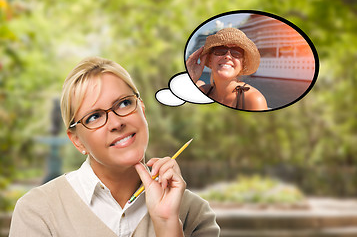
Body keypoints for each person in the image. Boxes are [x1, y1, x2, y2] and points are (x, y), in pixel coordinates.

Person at [9, 57, 220, 237]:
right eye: (94, 116)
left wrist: (167, 225)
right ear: (77, 141)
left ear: (142, 110)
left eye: (124, 103)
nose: (117, 123)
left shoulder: (194, 213)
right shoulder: (38, 212)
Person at [186, 27, 268, 110]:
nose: (227, 56)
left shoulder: (253, 100)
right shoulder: (203, 91)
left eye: (236, 52)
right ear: (210, 59)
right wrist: (191, 76)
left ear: (242, 64)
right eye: (220, 50)